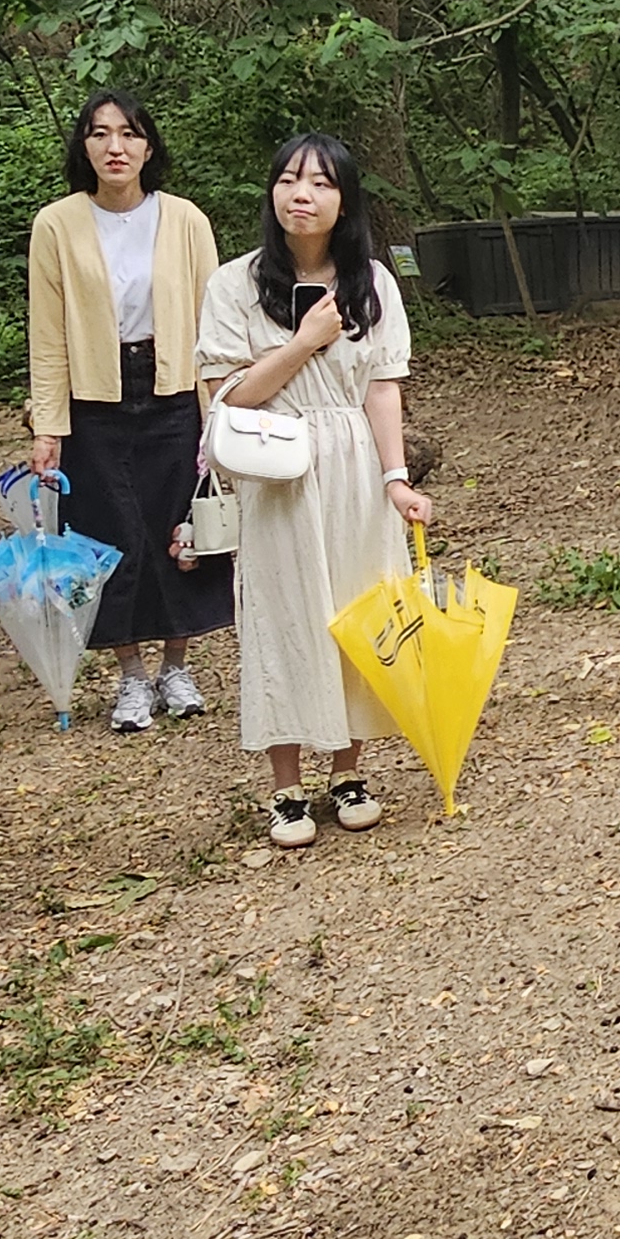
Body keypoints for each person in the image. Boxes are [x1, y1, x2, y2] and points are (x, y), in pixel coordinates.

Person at [199, 133, 435, 843]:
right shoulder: (232, 284)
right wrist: (303, 341)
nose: (303, 194)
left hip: (354, 466)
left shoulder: (375, 283)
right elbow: (227, 397)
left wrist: (396, 480)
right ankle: (285, 788)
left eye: (322, 183)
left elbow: (382, 391)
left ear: (345, 200)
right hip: (277, 469)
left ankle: (349, 770)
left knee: (358, 612)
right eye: (290, 180)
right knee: (285, 616)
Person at [28, 92, 231, 731]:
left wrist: (218, 408)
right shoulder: (56, 224)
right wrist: (48, 425)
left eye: (129, 134)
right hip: (95, 396)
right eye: (100, 134)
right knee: (108, 533)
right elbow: (48, 332)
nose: (115, 147)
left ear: (149, 146)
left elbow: (214, 321)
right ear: (83, 147)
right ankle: (131, 677)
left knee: (178, 526)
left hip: (173, 386)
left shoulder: (187, 220)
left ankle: (177, 665)